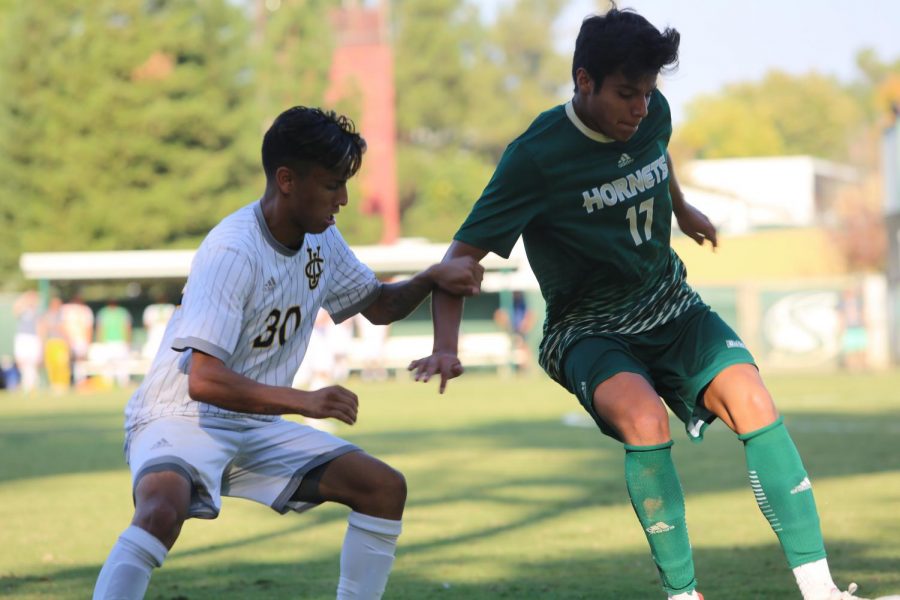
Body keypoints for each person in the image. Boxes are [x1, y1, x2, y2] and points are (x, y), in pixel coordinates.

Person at [409, 7, 896, 600]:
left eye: (647, 92)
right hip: (587, 329)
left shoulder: (651, 114)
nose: (640, 107)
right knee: (644, 419)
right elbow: (459, 259)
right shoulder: (534, 157)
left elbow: (656, 155)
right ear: (583, 81)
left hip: (670, 304)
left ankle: (821, 591)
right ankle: (683, 595)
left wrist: (683, 208)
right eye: (625, 94)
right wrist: (444, 345)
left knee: (753, 398)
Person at [92, 106, 483, 600]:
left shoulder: (323, 240)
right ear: (286, 180)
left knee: (383, 489)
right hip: (181, 416)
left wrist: (429, 278)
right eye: (331, 185)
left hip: (254, 422)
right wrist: (306, 402)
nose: (343, 199)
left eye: (346, 184)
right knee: (161, 509)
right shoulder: (232, 250)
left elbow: (380, 307)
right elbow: (203, 380)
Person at [12, 290, 42, 394]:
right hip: (23, 338)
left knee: (32, 362)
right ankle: (27, 384)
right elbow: (16, 308)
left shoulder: (38, 312)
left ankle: (31, 385)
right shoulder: (23, 310)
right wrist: (24, 297)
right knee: (22, 362)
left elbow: (40, 327)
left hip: (33, 338)